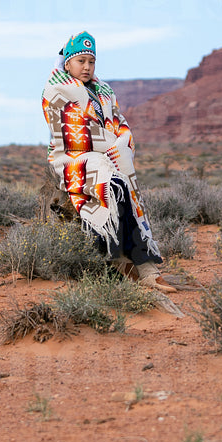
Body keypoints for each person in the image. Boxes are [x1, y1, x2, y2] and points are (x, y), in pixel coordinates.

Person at [42, 31, 174, 292]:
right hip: (71, 157)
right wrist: (112, 142)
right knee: (113, 186)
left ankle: (143, 265)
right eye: (81, 61)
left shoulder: (104, 91)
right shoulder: (55, 90)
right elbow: (72, 132)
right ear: (67, 63)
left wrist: (121, 143)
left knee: (122, 185)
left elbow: (120, 124)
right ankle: (123, 261)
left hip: (106, 154)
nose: (87, 67)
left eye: (91, 62)